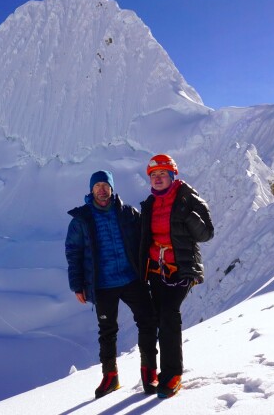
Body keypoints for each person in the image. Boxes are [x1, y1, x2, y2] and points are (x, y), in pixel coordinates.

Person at [65, 170, 159, 399]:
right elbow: (73, 252)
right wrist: (78, 285)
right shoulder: (82, 220)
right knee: (107, 332)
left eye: (105, 185)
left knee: (147, 322)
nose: (101, 189)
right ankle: (110, 376)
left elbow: (146, 238)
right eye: (97, 186)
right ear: (91, 190)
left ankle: (149, 372)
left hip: (132, 278)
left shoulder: (127, 213)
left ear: (112, 188)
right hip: (103, 284)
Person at [139, 154, 214, 398]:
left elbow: (206, 234)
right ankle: (162, 371)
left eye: (163, 174)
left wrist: (187, 215)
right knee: (159, 317)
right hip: (156, 270)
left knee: (169, 314)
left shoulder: (187, 197)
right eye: (154, 175)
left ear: (173, 176)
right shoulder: (150, 203)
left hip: (182, 267)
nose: (158, 179)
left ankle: (172, 374)